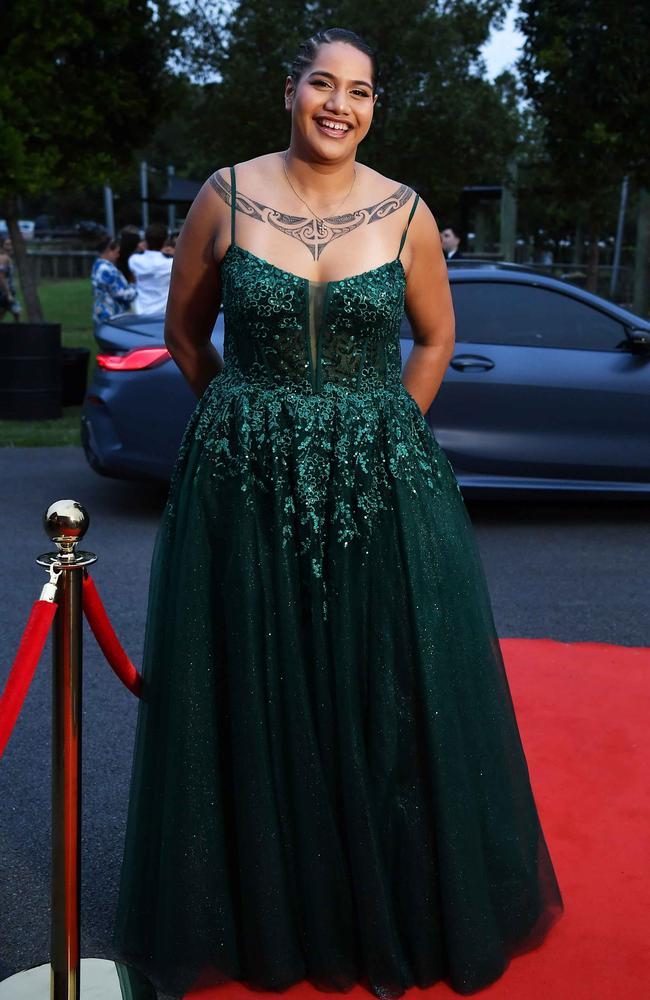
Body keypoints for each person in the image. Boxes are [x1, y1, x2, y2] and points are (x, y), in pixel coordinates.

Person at [112, 27, 563, 1000]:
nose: (338, 104)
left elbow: (435, 339)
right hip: (242, 479)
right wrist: (247, 424)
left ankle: (380, 901)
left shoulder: (403, 210)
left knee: (380, 684)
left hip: (378, 483)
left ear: (371, 108)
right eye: (323, 82)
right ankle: (266, 906)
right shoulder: (224, 195)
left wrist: (384, 434)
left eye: (358, 90)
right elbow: (184, 334)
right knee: (257, 675)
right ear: (290, 91)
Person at [90, 236, 137, 325]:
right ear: (109, 251)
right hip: (111, 313)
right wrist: (135, 290)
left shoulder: (97, 265)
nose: (118, 255)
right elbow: (119, 293)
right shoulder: (107, 269)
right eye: (117, 252)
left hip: (101, 310)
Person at [128, 221, 173, 314]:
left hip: (140, 311)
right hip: (162, 313)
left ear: (145, 240)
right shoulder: (170, 263)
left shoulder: (134, 260)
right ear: (165, 241)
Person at [0, 238, 22, 321]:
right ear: (2, 246)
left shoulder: (7, 258)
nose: (10, 247)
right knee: (17, 312)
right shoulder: (3, 258)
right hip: (4, 293)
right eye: (7, 244)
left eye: (11, 244)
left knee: (3, 313)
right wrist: (8, 293)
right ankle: (17, 333)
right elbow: (1, 276)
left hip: (7, 292)